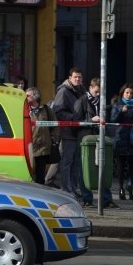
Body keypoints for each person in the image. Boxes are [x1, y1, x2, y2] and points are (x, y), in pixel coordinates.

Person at [78, 78, 117, 208]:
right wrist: (91, 119)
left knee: (103, 166)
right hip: (86, 137)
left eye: (100, 92)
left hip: (100, 136)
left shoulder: (102, 101)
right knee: (85, 169)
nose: (98, 94)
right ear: (91, 87)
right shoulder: (82, 100)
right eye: (96, 91)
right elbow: (76, 119)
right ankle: (87, 198)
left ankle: (107, 199)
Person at [52, 68, 86, 199]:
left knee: (76, 162)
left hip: (79, 131)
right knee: (67, 161)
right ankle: (66, 189)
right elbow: (58, 111)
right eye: (75, 77)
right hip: (68, 131)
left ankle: (73, 186)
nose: (78, 79)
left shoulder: (81, 90)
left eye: (80, 77)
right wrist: (74, 118)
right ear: (70, 78)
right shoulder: (64, 91)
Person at [110, 83, 133, 200]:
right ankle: (121, 189)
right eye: (127, 93)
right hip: (121, 138)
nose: (129, 95)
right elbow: (113, 120)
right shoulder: (117, 105)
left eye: (131, 93)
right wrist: (121, 112)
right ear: (122, 93)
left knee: (132, 166)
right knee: (121, 165)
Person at [26, 87, 58, 185]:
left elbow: (55, 125)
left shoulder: (46, 110)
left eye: (28, 96)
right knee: (28, 174)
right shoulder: (24, 110)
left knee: (40, 175)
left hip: (43, 148)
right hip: (30, 147)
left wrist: (53, 139)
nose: (25, 97)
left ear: (35, 97)